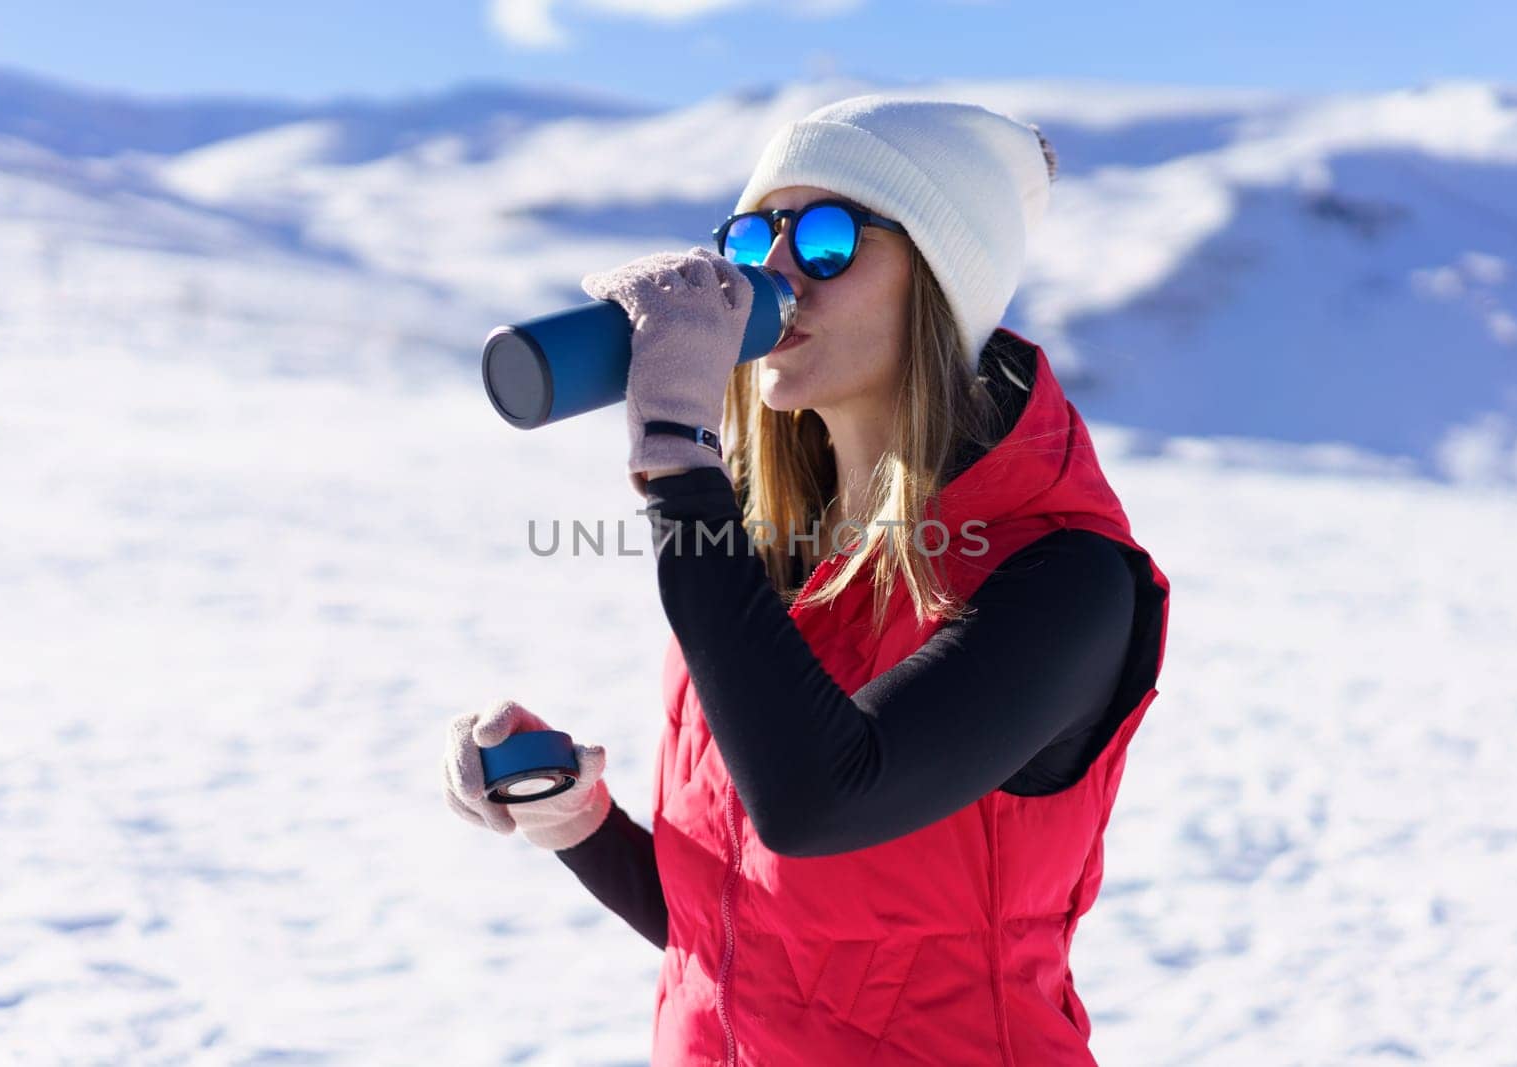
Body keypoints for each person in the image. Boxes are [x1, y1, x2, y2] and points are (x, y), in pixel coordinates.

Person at [444, 94, 1172, 1066]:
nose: (774, 273)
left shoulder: (1064, 574)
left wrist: (678, 460)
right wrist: (575, 819)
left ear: (942, 282)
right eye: (751, 238)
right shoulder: (775, 547)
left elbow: (818, 803)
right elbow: (743, 929)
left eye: (827, 237)